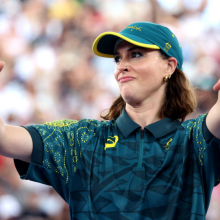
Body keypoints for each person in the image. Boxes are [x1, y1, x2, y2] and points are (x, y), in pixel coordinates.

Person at [0, 21, 220, 220]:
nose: (120, 66)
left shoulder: (195, 141)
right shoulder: (81, 139)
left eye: (135, 54)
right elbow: (5, 138)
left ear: (169, 66)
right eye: (117, 58)